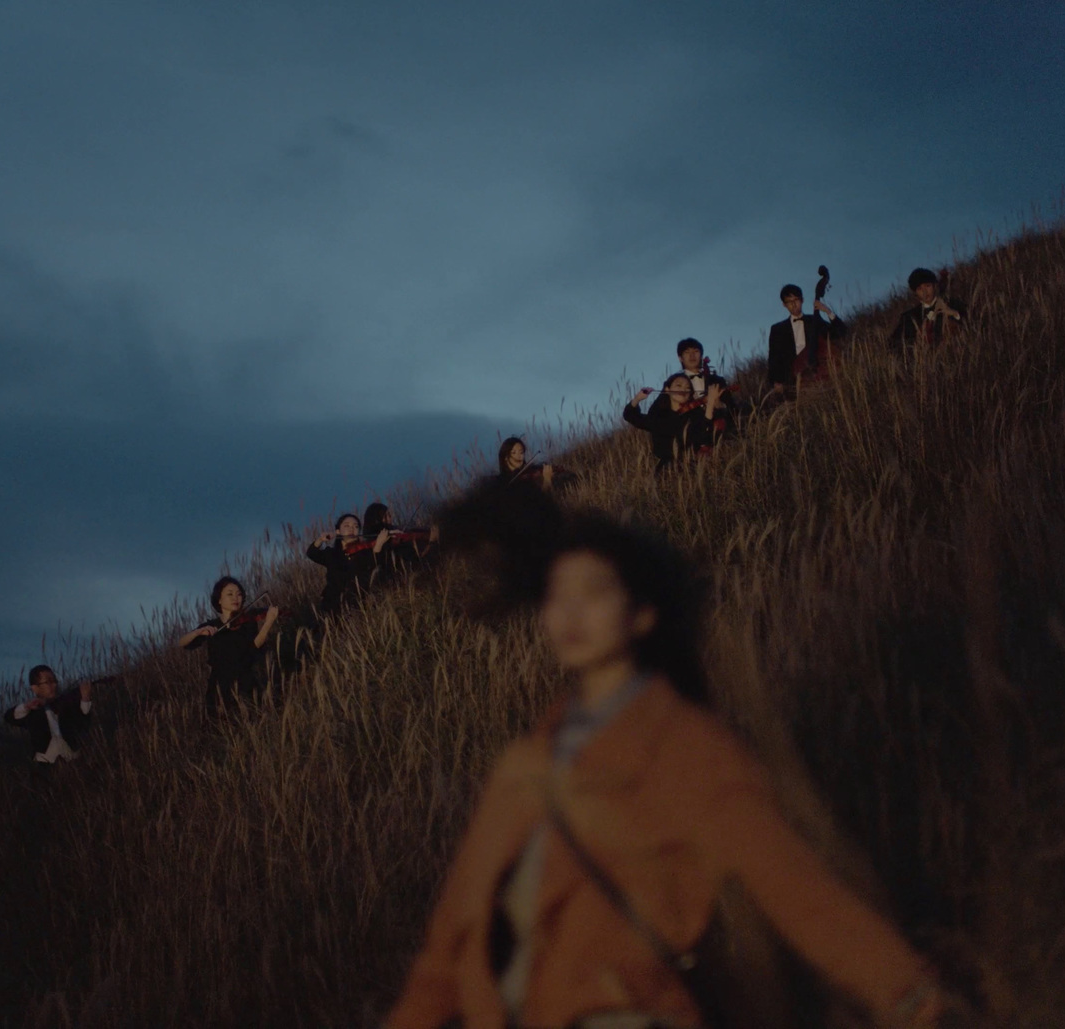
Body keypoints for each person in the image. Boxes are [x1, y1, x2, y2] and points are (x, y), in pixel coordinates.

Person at [387, 490, 954, 1029]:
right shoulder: (524, 765)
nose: (572, 611)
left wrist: (905, 992)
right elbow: (448, 947)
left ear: (642, 615)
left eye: (596, 591)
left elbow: (791, 885)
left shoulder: (685, 747)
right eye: (559, 595)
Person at [177, 576, 281, 710]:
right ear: (219, 599)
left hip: (245, 684)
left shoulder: (248, 622)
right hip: (219, 688)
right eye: (230, 594)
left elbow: (254, 647)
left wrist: (268, 623)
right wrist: (197, 632)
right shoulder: (211, 626)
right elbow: (182, 642)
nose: (235, 598)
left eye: (239, 594)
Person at [766, 283, 848, 399]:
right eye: (789, 301)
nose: (793, 304)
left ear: (802, 300)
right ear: (784, 305)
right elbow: (773, 358)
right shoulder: (777, 329)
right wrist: (776, 381)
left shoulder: (814, 321)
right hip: (791, 381)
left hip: (818, 376)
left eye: (796, 300)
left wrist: (828, 311)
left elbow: (841, 332)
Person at [622, 373, 713, 474]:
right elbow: (631, 416)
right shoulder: (658, 416)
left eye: (687, 388)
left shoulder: (695, 415)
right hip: (666, 471)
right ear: (667, 389)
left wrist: (710, 406)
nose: (683, 389)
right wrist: (637, 399)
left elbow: (706, 435)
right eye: (678, 385)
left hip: (693, 468)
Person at [4, 665, 95, 764]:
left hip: (73, 762)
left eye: (54, 681)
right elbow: (9, 717)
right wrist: (27, 706)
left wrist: (85, 698)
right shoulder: (31, 711)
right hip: (44, 765)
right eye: (48, 682)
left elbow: (84, 723)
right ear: (35, 688)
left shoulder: (67, 704)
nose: (54, 685)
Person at [306, 512, 388, 616]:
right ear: (338, 531)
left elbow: (372, 567)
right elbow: (312, 553)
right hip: (332, 607)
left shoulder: (365, 551)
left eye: (356, 526)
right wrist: (320, 539)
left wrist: (379, 545)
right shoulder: (332, 554)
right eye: (347, 525)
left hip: (359, 606)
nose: (352, 529)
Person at [889, 268, 968, 353]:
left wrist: (955, 314)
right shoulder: (909, 317)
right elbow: (893, 343)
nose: (924, 292)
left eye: (927, 286)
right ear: (915, 293)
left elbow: (971, 321)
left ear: (934, 286)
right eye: (919, 289)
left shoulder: (952, 304)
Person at [364, 502, 438, 577]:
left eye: (389, 515)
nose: (390, 518)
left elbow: (417, 563)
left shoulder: (399, 535)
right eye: (385, 516)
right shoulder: (369, 543)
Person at [498, 438, 578, 493]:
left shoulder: (530, 476)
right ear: (505, 457)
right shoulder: (502, 481)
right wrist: (546, 480)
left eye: (521, 452)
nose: (519, 456)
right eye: (514, 453)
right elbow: (539, 501)